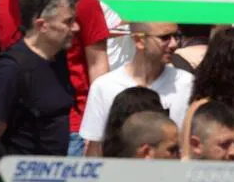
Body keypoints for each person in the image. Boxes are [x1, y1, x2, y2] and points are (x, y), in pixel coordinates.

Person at [0, 0, 80, 155]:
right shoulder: (11, 70)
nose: (76, 27)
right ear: (42, 25)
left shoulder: (57, 58)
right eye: (68, 22)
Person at [81, 22, 192, 155]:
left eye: (177, 36)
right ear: (139, 40)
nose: (174, 44)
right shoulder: (104, 87)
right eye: (165, 38)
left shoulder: (187, 83)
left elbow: (188, 146)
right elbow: (95, 149)